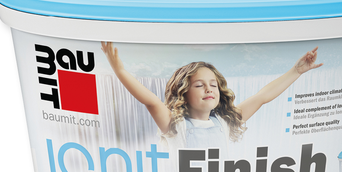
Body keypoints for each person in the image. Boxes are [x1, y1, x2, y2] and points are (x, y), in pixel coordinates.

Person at [101, 42, 323, 152]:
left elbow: (262, 97)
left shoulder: (224, 123)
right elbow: (150, 101)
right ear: (183, 93)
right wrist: (119, 71)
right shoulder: (176, 126)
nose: (209, 89)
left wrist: (296, 71)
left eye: (213, 85)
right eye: (199, 85)